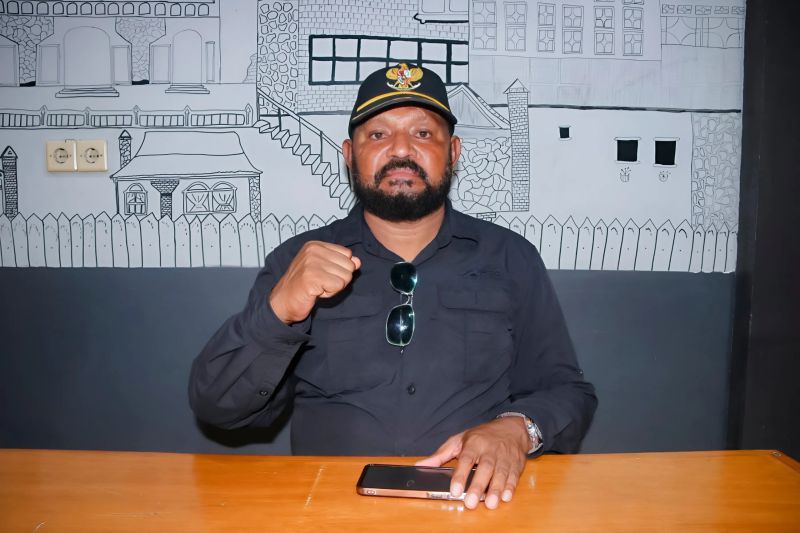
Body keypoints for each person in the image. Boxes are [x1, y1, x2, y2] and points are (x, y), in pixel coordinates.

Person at [189, 63, 597, 510]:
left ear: (453, 152)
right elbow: (219, 408)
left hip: (475, 507)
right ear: (349, 155)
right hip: (329, 511)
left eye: (423, 133)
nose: (401, 149)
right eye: (378, 134)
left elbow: (567, 391)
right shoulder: (298, 261)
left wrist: (518, 428)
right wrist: (278, 313)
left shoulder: (510, 257)